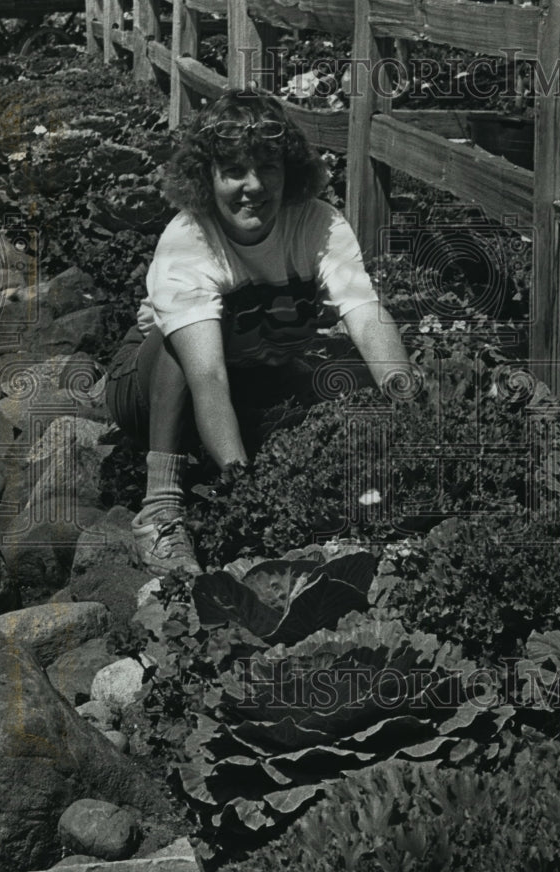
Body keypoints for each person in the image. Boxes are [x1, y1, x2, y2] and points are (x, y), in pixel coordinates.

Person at [106, 89, 413, 576]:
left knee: (348, 379)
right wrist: (243, 487)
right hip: (147, 386)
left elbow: (366, 315)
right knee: (177, 346)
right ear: (207, 178)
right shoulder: (190, 240)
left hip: (255, 371)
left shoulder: (318, 223)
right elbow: (207, 376)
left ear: (289, 171)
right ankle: (161, 507)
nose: (254, 186)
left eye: (268, 168)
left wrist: (410, 409)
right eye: (234, 172)